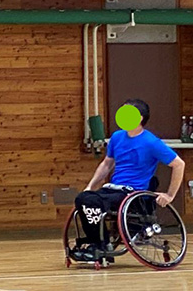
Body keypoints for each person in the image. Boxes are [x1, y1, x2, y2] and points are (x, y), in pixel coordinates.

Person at [70, 99, 186, 262]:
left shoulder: (151, 142)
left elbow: (179, 164)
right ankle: (99, 243)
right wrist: (90, 186)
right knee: (84, 198)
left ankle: (100, 245)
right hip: (113, 188)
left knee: (88, 201)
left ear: (139, 118)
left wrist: (170, 195)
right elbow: (107, 164)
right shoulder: (117, 137)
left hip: (132, 193)